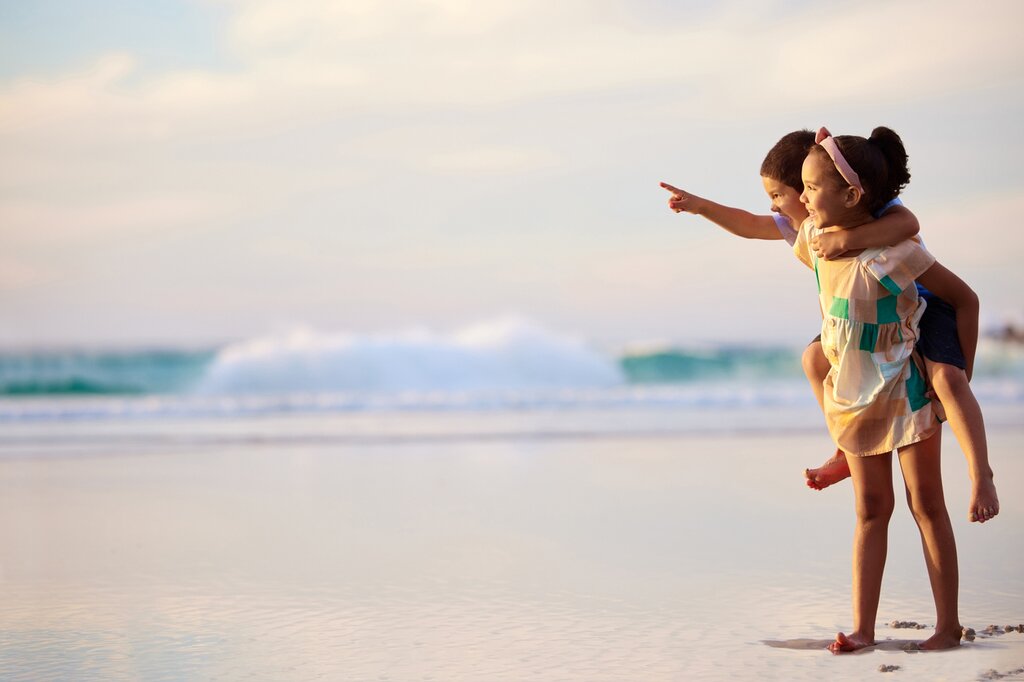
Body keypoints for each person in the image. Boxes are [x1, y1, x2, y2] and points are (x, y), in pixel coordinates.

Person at [659, 130, 998, 524]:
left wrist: (850, 239)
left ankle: (981, 472)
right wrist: (700, 206)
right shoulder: (806, 227)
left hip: (920, 297)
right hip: (863, 316)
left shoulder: (868, 210)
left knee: (947, 380)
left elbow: (906, 222)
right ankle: (845, 448)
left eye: (780, 195)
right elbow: (749, 224)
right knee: (814, 359)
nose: (779, 206)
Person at [796, 126, 964, 652]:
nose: (802, 199)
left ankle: (948, 626)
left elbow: (961, 298)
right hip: (852, 398)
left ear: (851, 195)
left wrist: (957, 379)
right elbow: (775, 219)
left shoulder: (894, 254)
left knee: (927, 505)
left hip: (907, 391)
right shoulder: (815, 244)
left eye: (811, 188)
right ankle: (864, 629)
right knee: (870, 510)